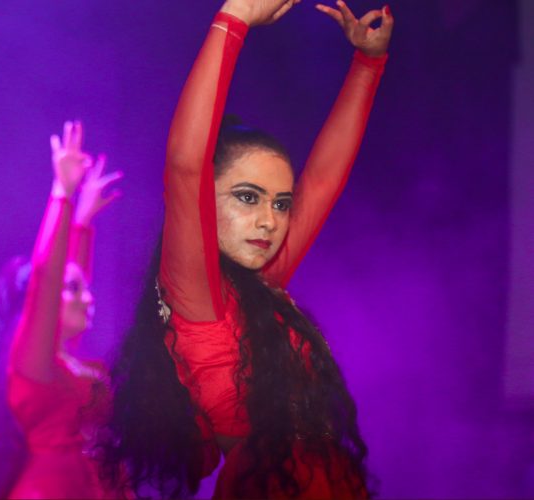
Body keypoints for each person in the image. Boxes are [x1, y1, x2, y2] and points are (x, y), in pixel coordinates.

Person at [100, 0, 393, 498]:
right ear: (203, 202)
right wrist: (233, 18)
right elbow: (186, 166)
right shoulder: (196, 299)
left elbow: (322, 182)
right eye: (247, 197)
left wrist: (368, 63)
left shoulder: (259, 285)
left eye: (281, 204)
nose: (269, 220)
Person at [0, 121, 124, 499]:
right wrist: (62, 194)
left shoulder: (65, 365)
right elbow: (49, 281)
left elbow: (65, 276)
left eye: (85, 289)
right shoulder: (33, 366)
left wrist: (82, 222)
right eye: (75, 290)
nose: (89, 298)